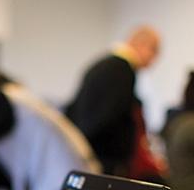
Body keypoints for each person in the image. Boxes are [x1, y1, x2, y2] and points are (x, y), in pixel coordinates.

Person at [65, 25, 161, 177]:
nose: (155, 60)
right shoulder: (122, 70)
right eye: (155, 50)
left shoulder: (103, 65)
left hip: (87, 153)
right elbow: (109, 117)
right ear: (141, 44)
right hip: (103, 161)